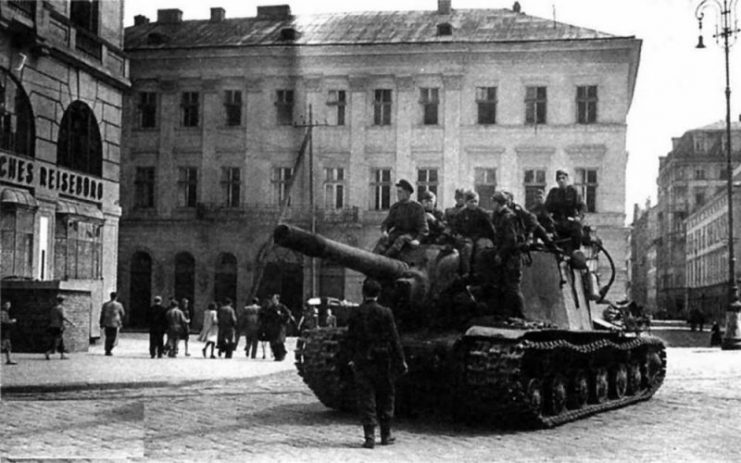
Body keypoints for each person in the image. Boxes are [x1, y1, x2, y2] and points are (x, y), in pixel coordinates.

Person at [346, 279, 407, 449]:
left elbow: (349, 338)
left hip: (362, 360)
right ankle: (386, 435)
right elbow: (394, 338)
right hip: (383, 360)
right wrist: (401, 360)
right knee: (386, 396)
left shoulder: (356, 312)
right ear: (378, 294)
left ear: (363, 293)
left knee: (366, 398)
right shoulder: (385, 312)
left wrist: (351, 357)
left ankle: (369, 437)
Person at [489, 191, 526, 319]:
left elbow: (511, 240)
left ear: (498, 203)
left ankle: (521, 316)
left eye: (493, 201)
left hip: (512, 257)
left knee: (513, 287)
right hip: (505, 255)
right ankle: (506, 314)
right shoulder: (498, 215)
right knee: (503, 285)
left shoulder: (508, 217)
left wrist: (500, 254)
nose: (491, 204)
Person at [373, 179, 429, 258]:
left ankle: (385, 259)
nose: (397, 194)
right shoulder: (396, 207)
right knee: (384, 241)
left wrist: (418, 240)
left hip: (411, 234)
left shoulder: (417, 208)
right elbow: (387, 222)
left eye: (400, 192)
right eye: (397, 192)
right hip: (397, 233)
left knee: (400, 240)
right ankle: (374, 258)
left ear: (407, 193)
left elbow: (424, 228)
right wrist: (385, 231)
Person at [452, 190, 496, 278]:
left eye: (475, 201)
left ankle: (479, 272)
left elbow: (491, 229)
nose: (474, 204)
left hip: (481, 237)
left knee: (481, 249)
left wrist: (492, 240)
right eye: (471, 201)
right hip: (467, 237)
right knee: (467, 248)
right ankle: (466, 272)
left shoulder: (483, 213)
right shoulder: (461, 214)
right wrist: (458, 235)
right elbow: (455, 227)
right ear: (466, 202)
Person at [545, 169, 586, 251]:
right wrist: (548, 217)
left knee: (577, 229)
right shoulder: (553, 193)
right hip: (557, 223)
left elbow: (582, 206)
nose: (561, 180)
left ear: (567, 179)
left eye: (563, 178)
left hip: (570, 222)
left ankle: (576, 252)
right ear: (556, 181)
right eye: (559, 179)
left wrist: (578, 217)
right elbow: (546, 208)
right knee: (547, 234)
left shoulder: (573, 191)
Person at [263, 294, 292, 361]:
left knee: (279, 341)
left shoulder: (281, 307)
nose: (273, 300)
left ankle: (282, 354)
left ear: (277, 300)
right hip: (272, 327)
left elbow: (288, 314)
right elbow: (267, 317)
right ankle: (277, 355)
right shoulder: (271, 308)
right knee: (273, 342)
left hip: (280, 326)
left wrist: (283, 318)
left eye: (274, 299)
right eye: (272, 299)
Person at [45, 295, 75, 360]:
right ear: (62, 301)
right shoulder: (61, 308)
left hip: (52, 326)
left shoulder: (53, 309)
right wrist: (71, 323)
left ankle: (60, 354)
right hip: (58, 326)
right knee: (58, 340)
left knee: (56, 340)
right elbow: (64, 317)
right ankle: (49, 352)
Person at [99, 292, 126, 356]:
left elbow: (102, 314)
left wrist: (101, 322)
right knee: (113, 337)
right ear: (116, 297)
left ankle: (107, 349)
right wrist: (120, 320)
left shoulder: (105, 304)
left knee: (108, 336)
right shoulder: (119, 305)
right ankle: (109, 349)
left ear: (110, 296)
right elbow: (123, 313)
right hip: (115, 323)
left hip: (107, 322)